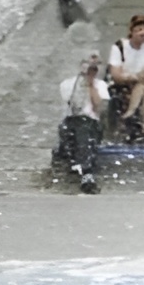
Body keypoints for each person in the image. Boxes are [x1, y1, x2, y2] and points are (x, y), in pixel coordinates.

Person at [55, 53, 107, 193]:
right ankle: (86, 170)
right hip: (72, 121)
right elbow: (71, 106)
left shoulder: (100, 86)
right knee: (79, 126)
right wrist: (81, 84)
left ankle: (86, 171)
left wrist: (90, 87)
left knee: (84, 128)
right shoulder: (68, 84)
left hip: (92, 125)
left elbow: (99, 108)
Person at [108, 14, 144, 139]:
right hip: (122, 84)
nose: (143, 33)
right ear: (131, 31)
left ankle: (131, 113)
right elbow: (116, 75)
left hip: (142, 83)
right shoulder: (119, 47)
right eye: (139, 30)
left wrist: (142, 77)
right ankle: (143, 124)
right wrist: (134, 77)